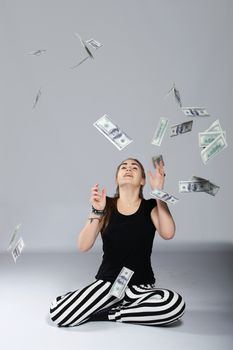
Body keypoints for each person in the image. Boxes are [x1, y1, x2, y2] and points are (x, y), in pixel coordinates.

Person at [49, 158, 186, 327]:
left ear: (143, 180)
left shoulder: (151, 206)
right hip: (108, 284)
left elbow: (168, 233)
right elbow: (83, 245)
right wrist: (97, 211)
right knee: (58, 311)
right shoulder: (105, 205)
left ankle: (108, 313)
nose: (128, 169)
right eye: (124, 167)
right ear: (116, 178)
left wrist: (159, 192)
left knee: (174, 304)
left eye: (134, 167)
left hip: (140, 287)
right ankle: (121, 308)